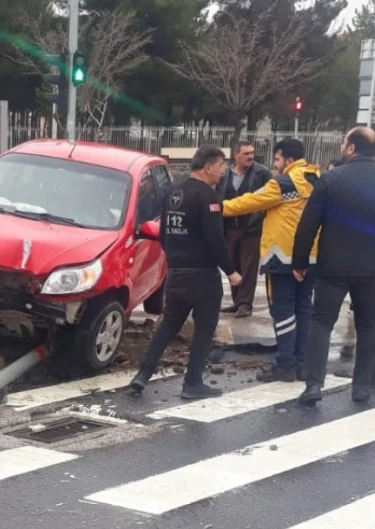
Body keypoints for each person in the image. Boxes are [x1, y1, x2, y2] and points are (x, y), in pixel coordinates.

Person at [293, 127, 375, 405]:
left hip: (333, 267)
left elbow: (308, 223)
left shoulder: (331, 180)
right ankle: (361, 388)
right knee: (369, 325)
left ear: (350, 148)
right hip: (373, 268)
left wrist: (299, 261)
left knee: (321, 323)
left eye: (344, 142)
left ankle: (313, 386)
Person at [129, 145, 242, 400]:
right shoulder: (208, 198)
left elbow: (165, 233)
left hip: (177, 272)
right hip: (203, 276)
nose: (223, 172)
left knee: (169, 325)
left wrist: (173, 259)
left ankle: (142, 375)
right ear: (208, 167)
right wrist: (231, 272)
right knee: (204, 328)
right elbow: (215, 241)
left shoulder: (172, 192)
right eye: (221, 166)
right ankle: (192, 382)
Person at [221, 138, 321, 383]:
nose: (274, 165)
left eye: (277, 159)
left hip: (282, 258)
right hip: (311, 257)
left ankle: (284, 364)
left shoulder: (284, 183)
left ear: (288, 159)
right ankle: (301, 363)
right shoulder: (317, 180)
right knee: (304, 310)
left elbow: (248, 202)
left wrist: (216, 207)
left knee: (283, 311)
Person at [216, 140, 271, 318]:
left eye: (251, 153)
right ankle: (236, 301)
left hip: (251, 228)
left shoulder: (261, 172)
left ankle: (245, 303)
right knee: (232, 264)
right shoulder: (225, 175)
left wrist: (258, 219)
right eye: (246, 153)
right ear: (235, 155)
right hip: (230, 228)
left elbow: (268, 198)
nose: (250, 157)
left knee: (249, 267)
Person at [325, 157, 355, 362]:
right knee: (324, 316)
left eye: (333, 173)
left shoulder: (348, 196)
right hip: (332, 261)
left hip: (343, 261)